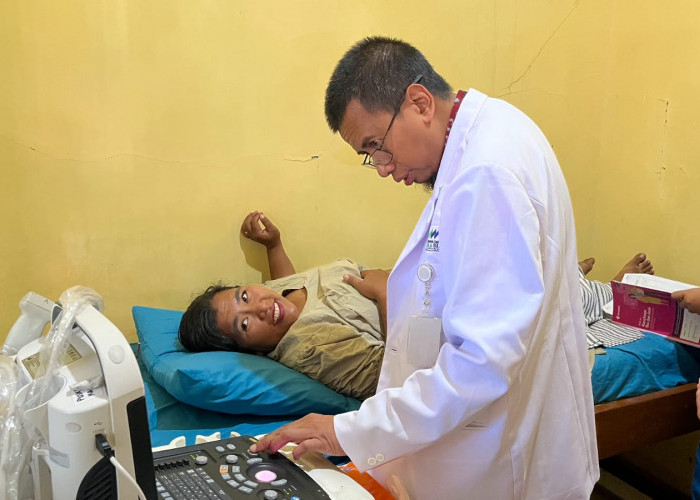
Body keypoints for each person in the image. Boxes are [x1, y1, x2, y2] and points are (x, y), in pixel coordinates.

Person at [251, 37, 599, 499]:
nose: (381, 167)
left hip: (500, 462)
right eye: (369, 156)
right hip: (477, 441)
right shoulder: (483, 134)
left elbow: (481, 363)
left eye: (376, 146)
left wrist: (346, 431)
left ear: (419, 103)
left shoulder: (486, 172)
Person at [178, 211, 386, 401]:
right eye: (244, 324)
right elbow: (397, 381)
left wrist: (274, 246)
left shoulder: (275, 299)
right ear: (253, 352)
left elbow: (288, 286)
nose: (260, 308)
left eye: (244, 296)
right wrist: (386, 293)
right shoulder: (315, 351)